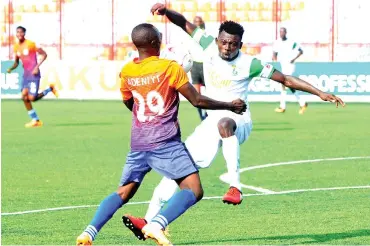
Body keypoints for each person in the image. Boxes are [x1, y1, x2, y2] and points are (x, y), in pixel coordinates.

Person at [122, 3, 345, 242]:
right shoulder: (206, 45)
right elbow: (183, 23)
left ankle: (235, 186)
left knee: (225, 123)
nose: (227, 47)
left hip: (239, 119)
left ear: (241, 44)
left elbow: (286, 79)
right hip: (211, 121)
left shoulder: (251, 64)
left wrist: (320, 92)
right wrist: (167, 13)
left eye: (233, 44)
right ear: (217, 39)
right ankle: (149, 221)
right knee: (179, 169)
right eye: (224, 42)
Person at [76, 23, 246, 246]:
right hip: (165, 142)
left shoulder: (127, 71)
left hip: (138, 142)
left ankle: (89, 233)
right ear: (156, 42)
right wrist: (229, 105)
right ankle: (156, 224)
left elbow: (130, 102)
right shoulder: (170, 68)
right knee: (193, 189)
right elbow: (197, 100)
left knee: (123, 192)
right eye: (159, 35)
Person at [7, 26, 58, 128]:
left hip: (34, 74)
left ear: (24, 33)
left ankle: (49, 89)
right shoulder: (16, 47)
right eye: (17, 32)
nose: (19, 34)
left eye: (21, 32)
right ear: (16, 34)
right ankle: (35, 120)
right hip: (26, 75)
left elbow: (44, 54)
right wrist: (11, 68)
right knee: (24, 97)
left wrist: (36, 67)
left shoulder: (31, 44)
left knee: (32, 98)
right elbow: (17, 62)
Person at [273, 27, 306, 114]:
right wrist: (274, 58)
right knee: (290, 86)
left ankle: (282, 106)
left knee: (284, 84)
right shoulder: (277, 42)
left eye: (283, 32)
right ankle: (302, 103)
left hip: (290, 66)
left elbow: (301, 51)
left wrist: (294, 59)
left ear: (286, 33)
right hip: (283, 66)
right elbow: (274, 53)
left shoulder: (291, 42)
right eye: (280, 32)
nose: (281, 33)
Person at [190, 16, 207, 121]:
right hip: (195, 65)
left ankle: (210, 115)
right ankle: (202, 117)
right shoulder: (189, 34)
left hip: (205, 65)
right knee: (196, 95)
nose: (197, 23)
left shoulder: (204, 34)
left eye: (199, 21)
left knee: (211, 92)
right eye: (195, 21)